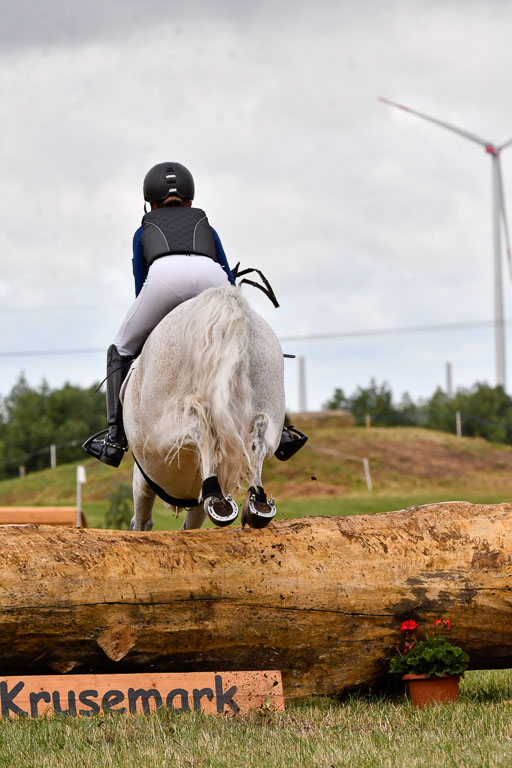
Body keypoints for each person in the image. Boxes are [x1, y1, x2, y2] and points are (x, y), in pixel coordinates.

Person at [83, 161, 307, 467]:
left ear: (150, 202)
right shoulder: (207, 226)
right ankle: (279, 431)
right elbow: (227, 274)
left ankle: (114, 439)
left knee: (119, 348)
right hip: (211, 276)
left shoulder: (143, 230)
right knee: (248, 339)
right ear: (190, 199)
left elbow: (140, 283)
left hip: (163, 279)